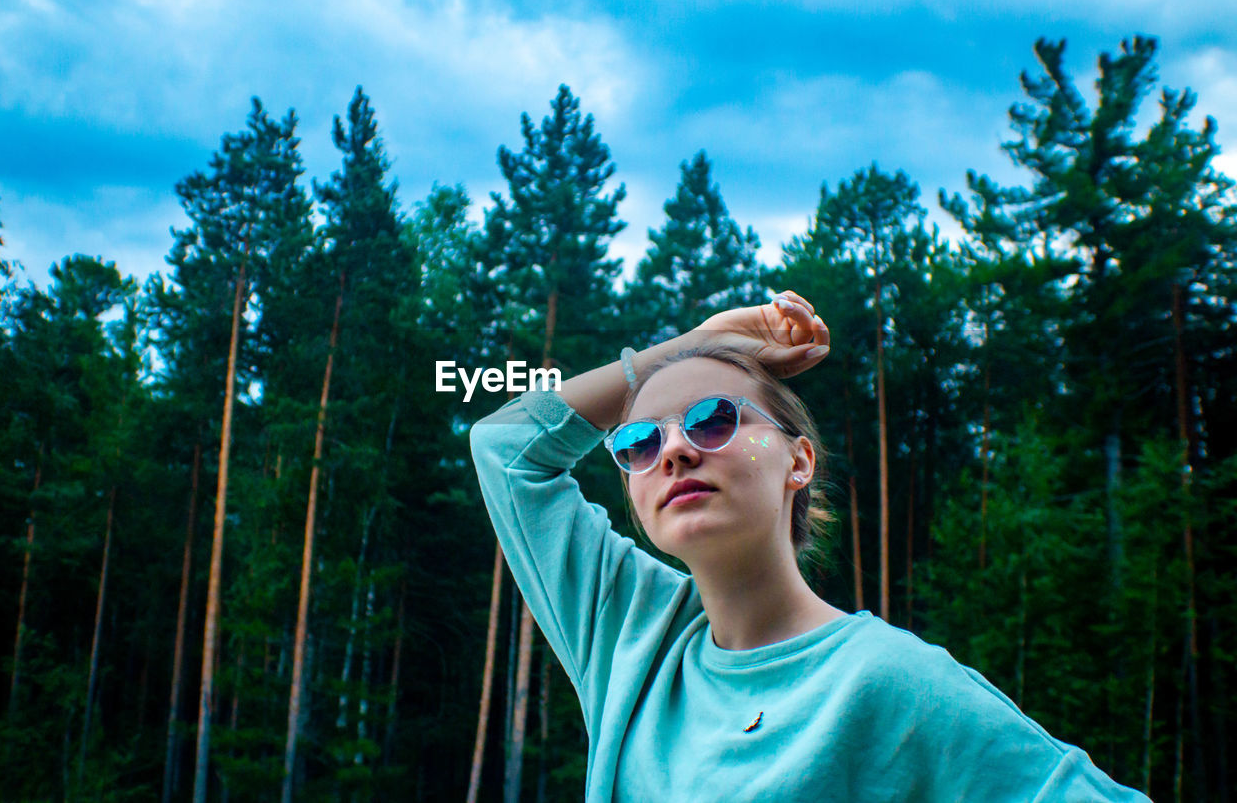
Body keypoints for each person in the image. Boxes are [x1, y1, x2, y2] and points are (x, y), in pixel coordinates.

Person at [469, 291, 1149, 802]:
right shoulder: (629, 636)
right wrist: (694, 345)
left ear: (798, 460)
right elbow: (505, 449)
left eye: (713, 418)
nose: (673, 448)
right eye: (640, 441)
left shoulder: (890, 681)